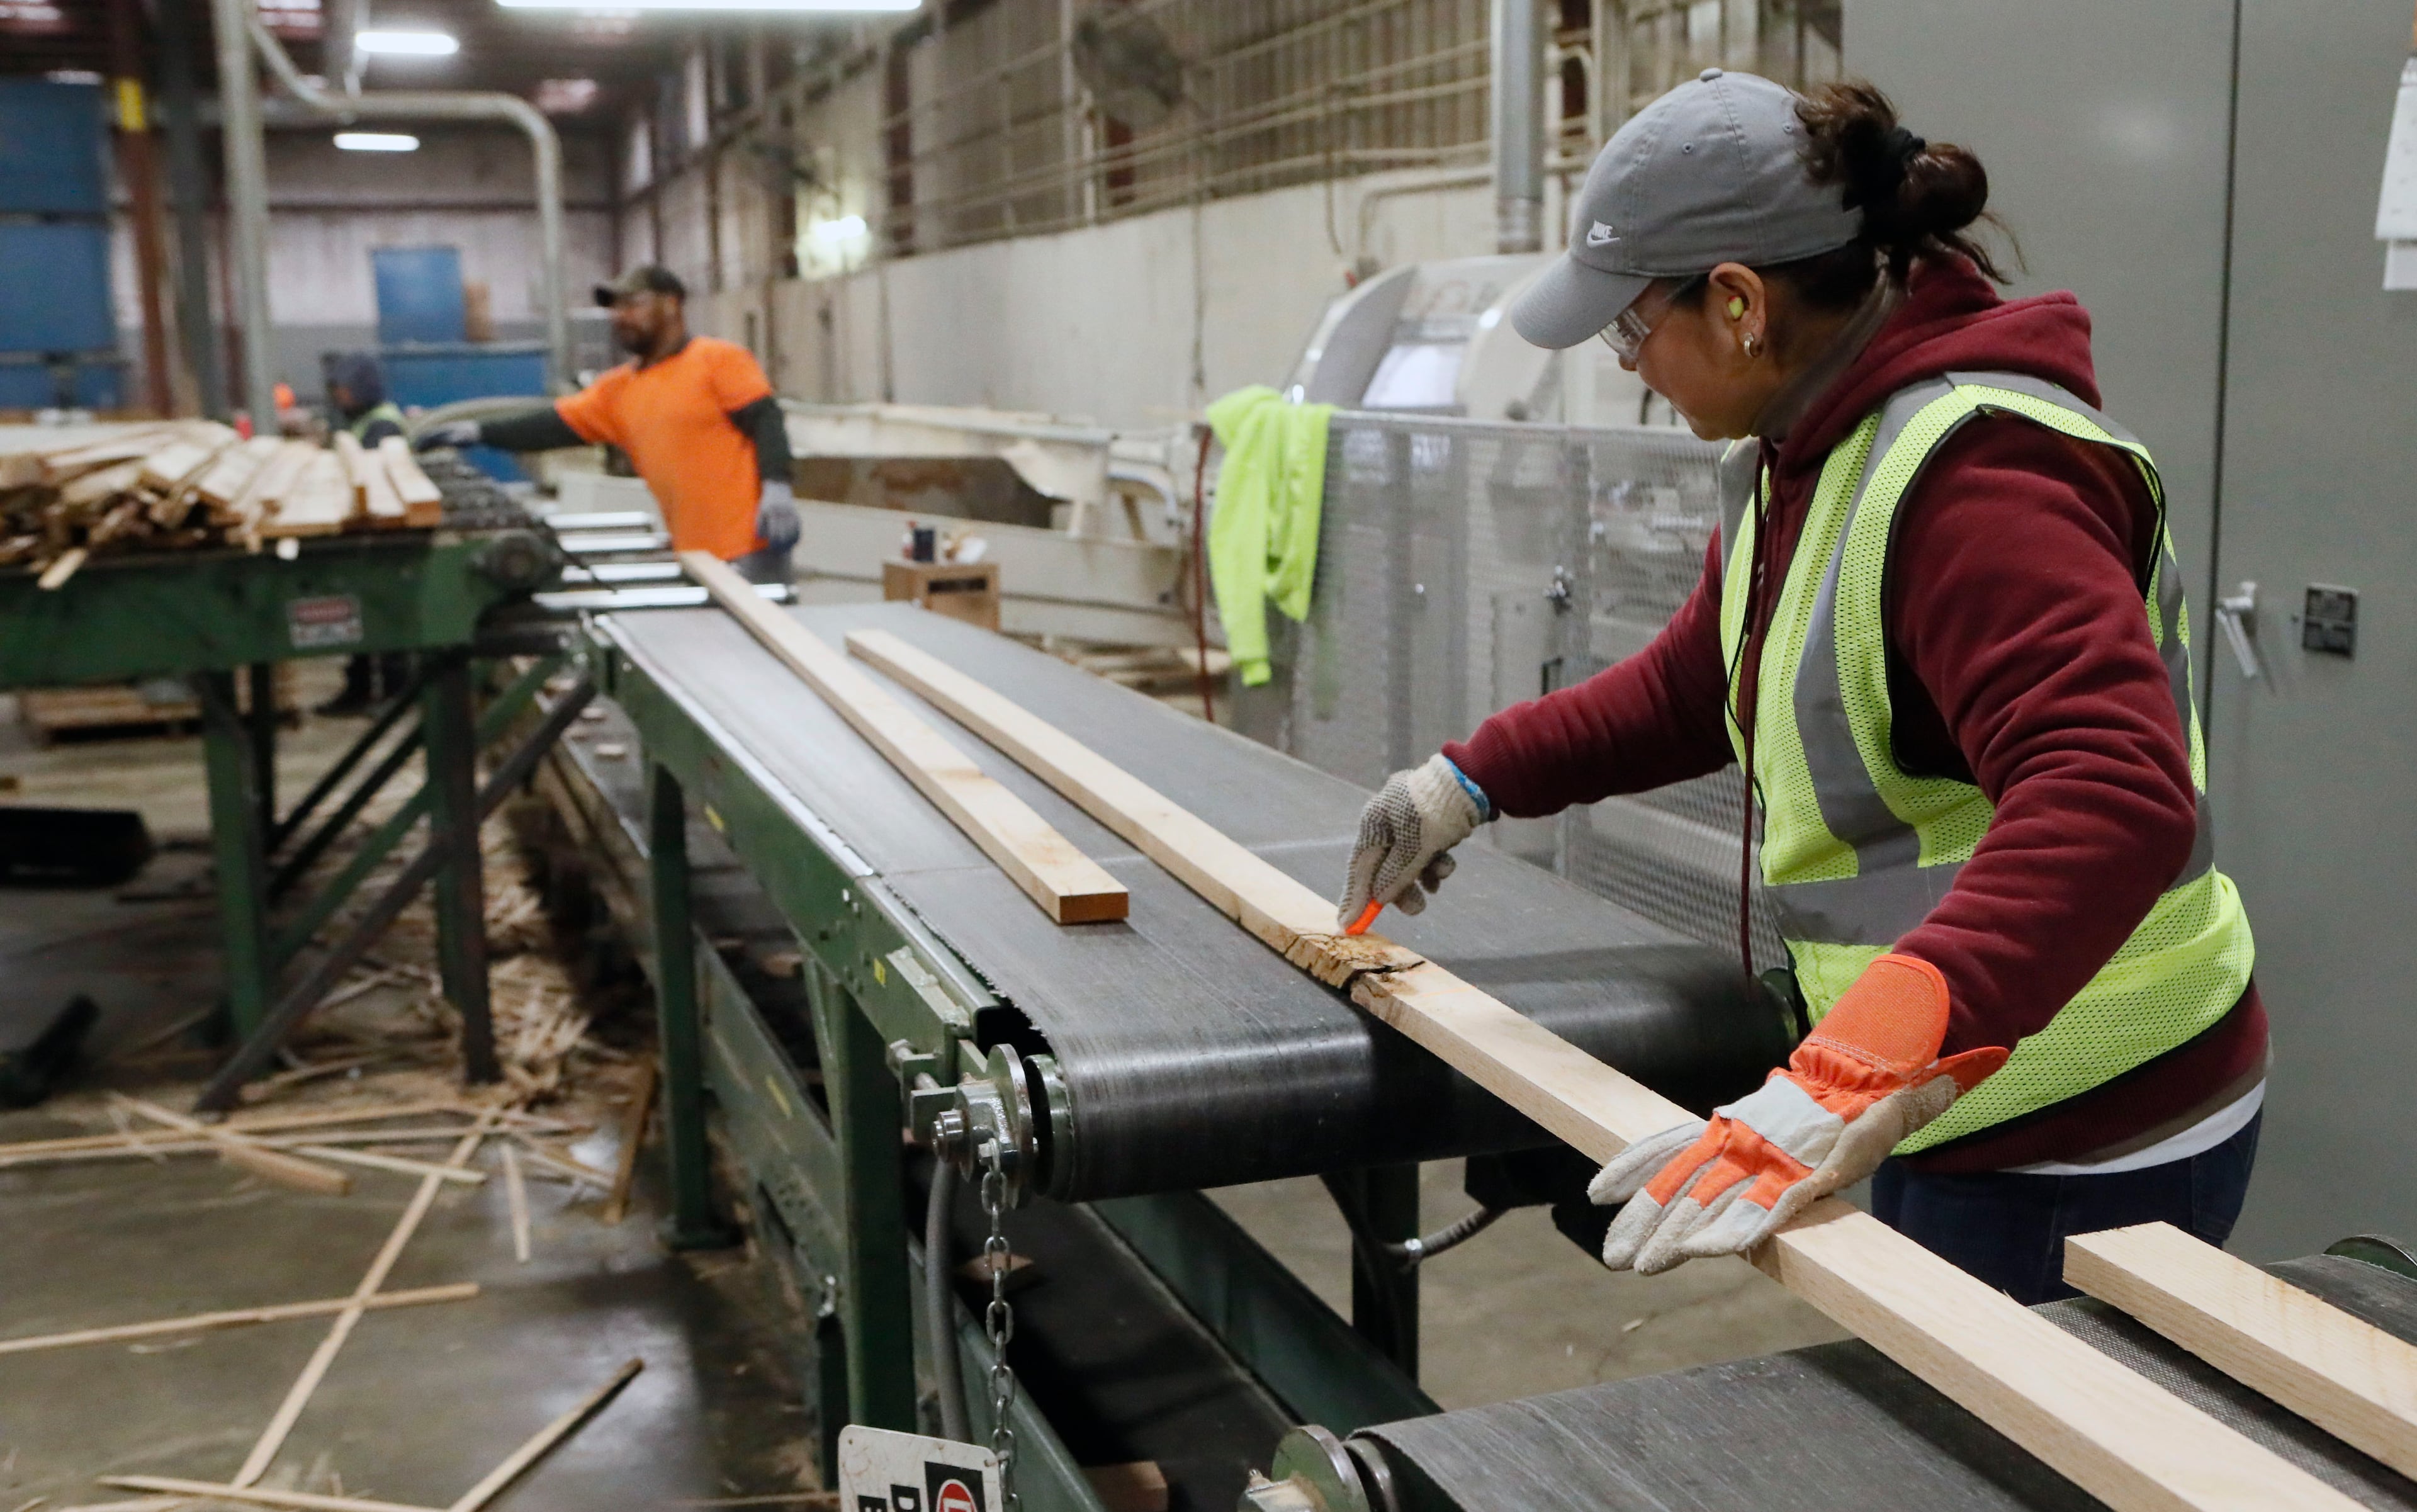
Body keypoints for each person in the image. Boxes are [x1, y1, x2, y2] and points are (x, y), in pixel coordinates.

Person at [1337, 72, 2263, 1305]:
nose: (1632, 367)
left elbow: (2111, 790)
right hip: (1951, 1093)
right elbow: (1696, 684)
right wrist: (1467, 780)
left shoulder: (1977, 475)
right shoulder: (1807, 454)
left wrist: (1854, 1070)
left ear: (1736, 304)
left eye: (1629, 330)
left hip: (2090, 1132)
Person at [417, 265, 799, 585]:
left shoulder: (718, 361)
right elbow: (552, 425)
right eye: (615, 308)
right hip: (693, 555)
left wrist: (777, 485)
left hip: (750, 547)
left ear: (672, 304)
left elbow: (765, 419)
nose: (620, 316)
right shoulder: (618, 390)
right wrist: (481, 432)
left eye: (633, 304)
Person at [318, 353, 409, 715]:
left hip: (386, 534)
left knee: (384, 616)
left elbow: (370, 477)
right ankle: (358, 691)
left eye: (345, 389)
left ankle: (394, 694)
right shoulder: (358, 421)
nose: (340, 397)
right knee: (361, 616)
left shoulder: (382, 425)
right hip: (362, 531)